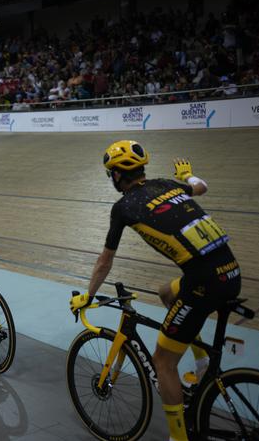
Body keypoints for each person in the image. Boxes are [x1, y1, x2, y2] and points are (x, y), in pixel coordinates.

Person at [69, 140, 241, 441]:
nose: (112, 179)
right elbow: (201, 187)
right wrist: (187, 175)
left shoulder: (124, 207)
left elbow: (104, 262)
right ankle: (202, 366)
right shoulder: (165, 183)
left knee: (163, 361)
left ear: (118, 176)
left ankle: (178, 438)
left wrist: (90, 295)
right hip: (230, 270)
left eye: (111, 174)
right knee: (166, 293)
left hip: (204, 281)